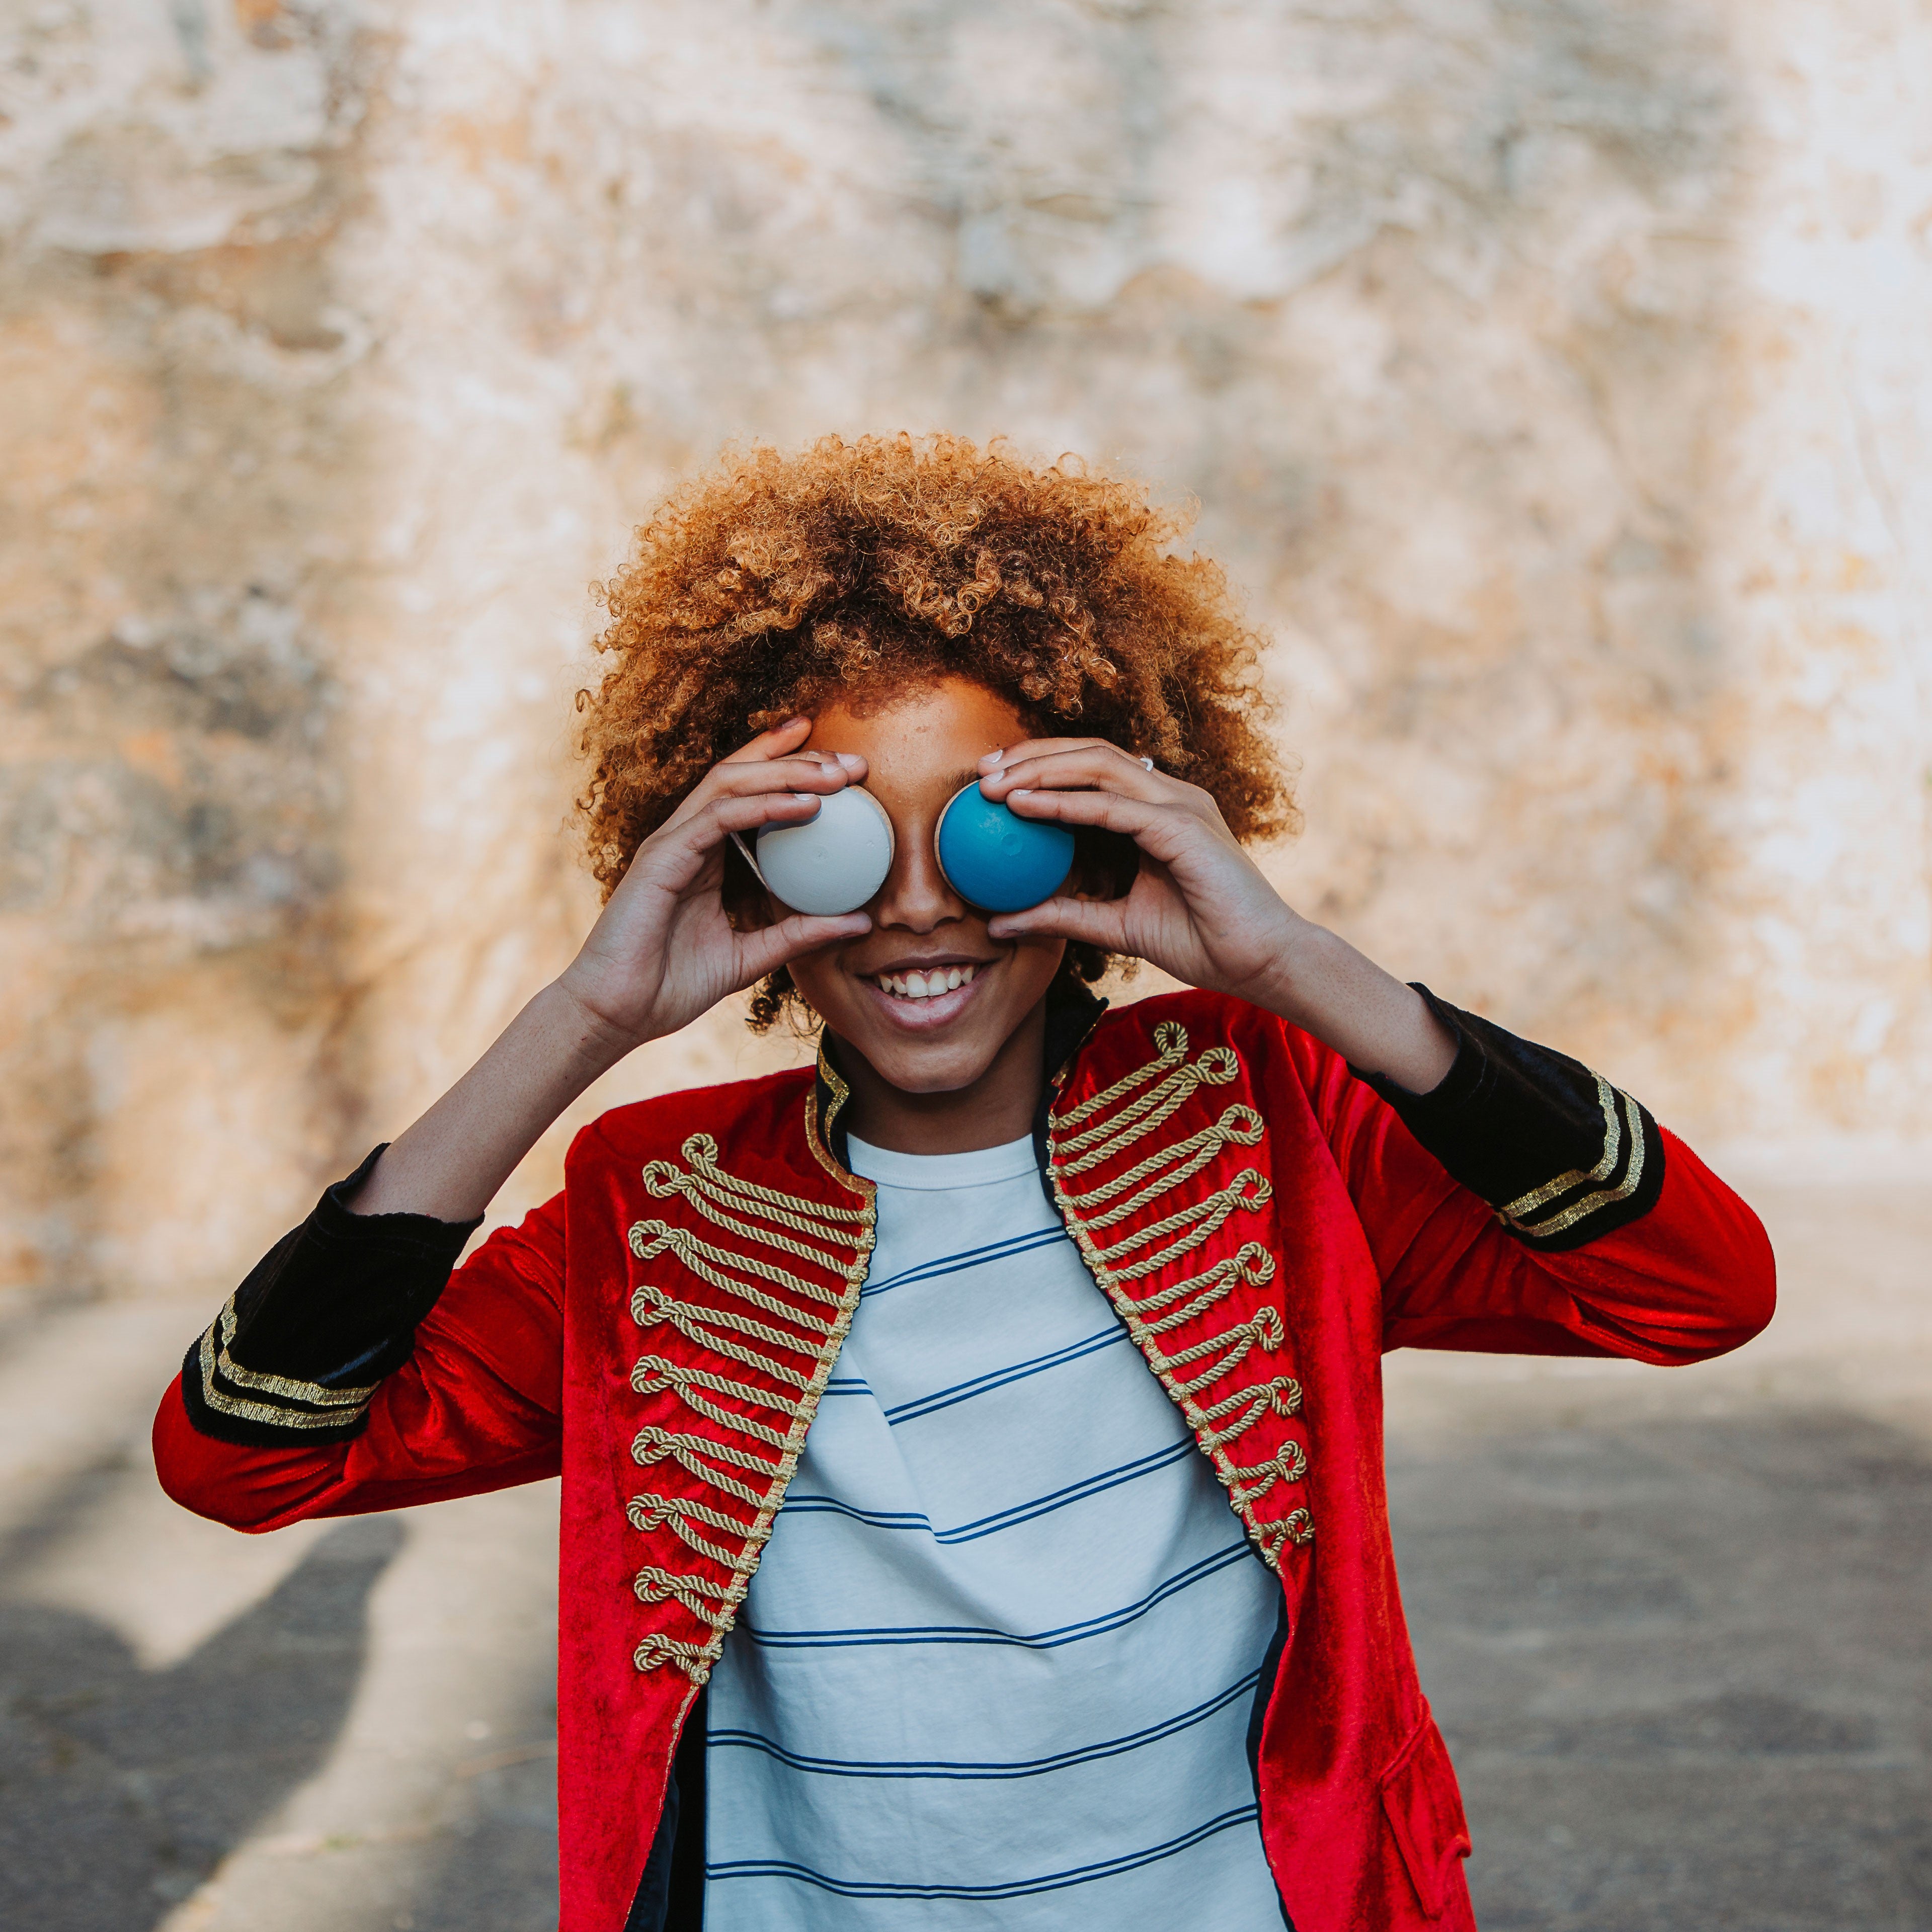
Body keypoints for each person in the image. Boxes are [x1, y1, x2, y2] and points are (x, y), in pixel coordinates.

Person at [153, 434, 1775, 1932]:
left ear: (1089, 833)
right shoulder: (665, 1216)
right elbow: (241, 1457)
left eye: (987, 829)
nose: (921, 909)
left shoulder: (1266, 1124)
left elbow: (1698, 1289)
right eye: (846, 843)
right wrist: (581, 1021)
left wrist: (1295, 966)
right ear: (745, 866)